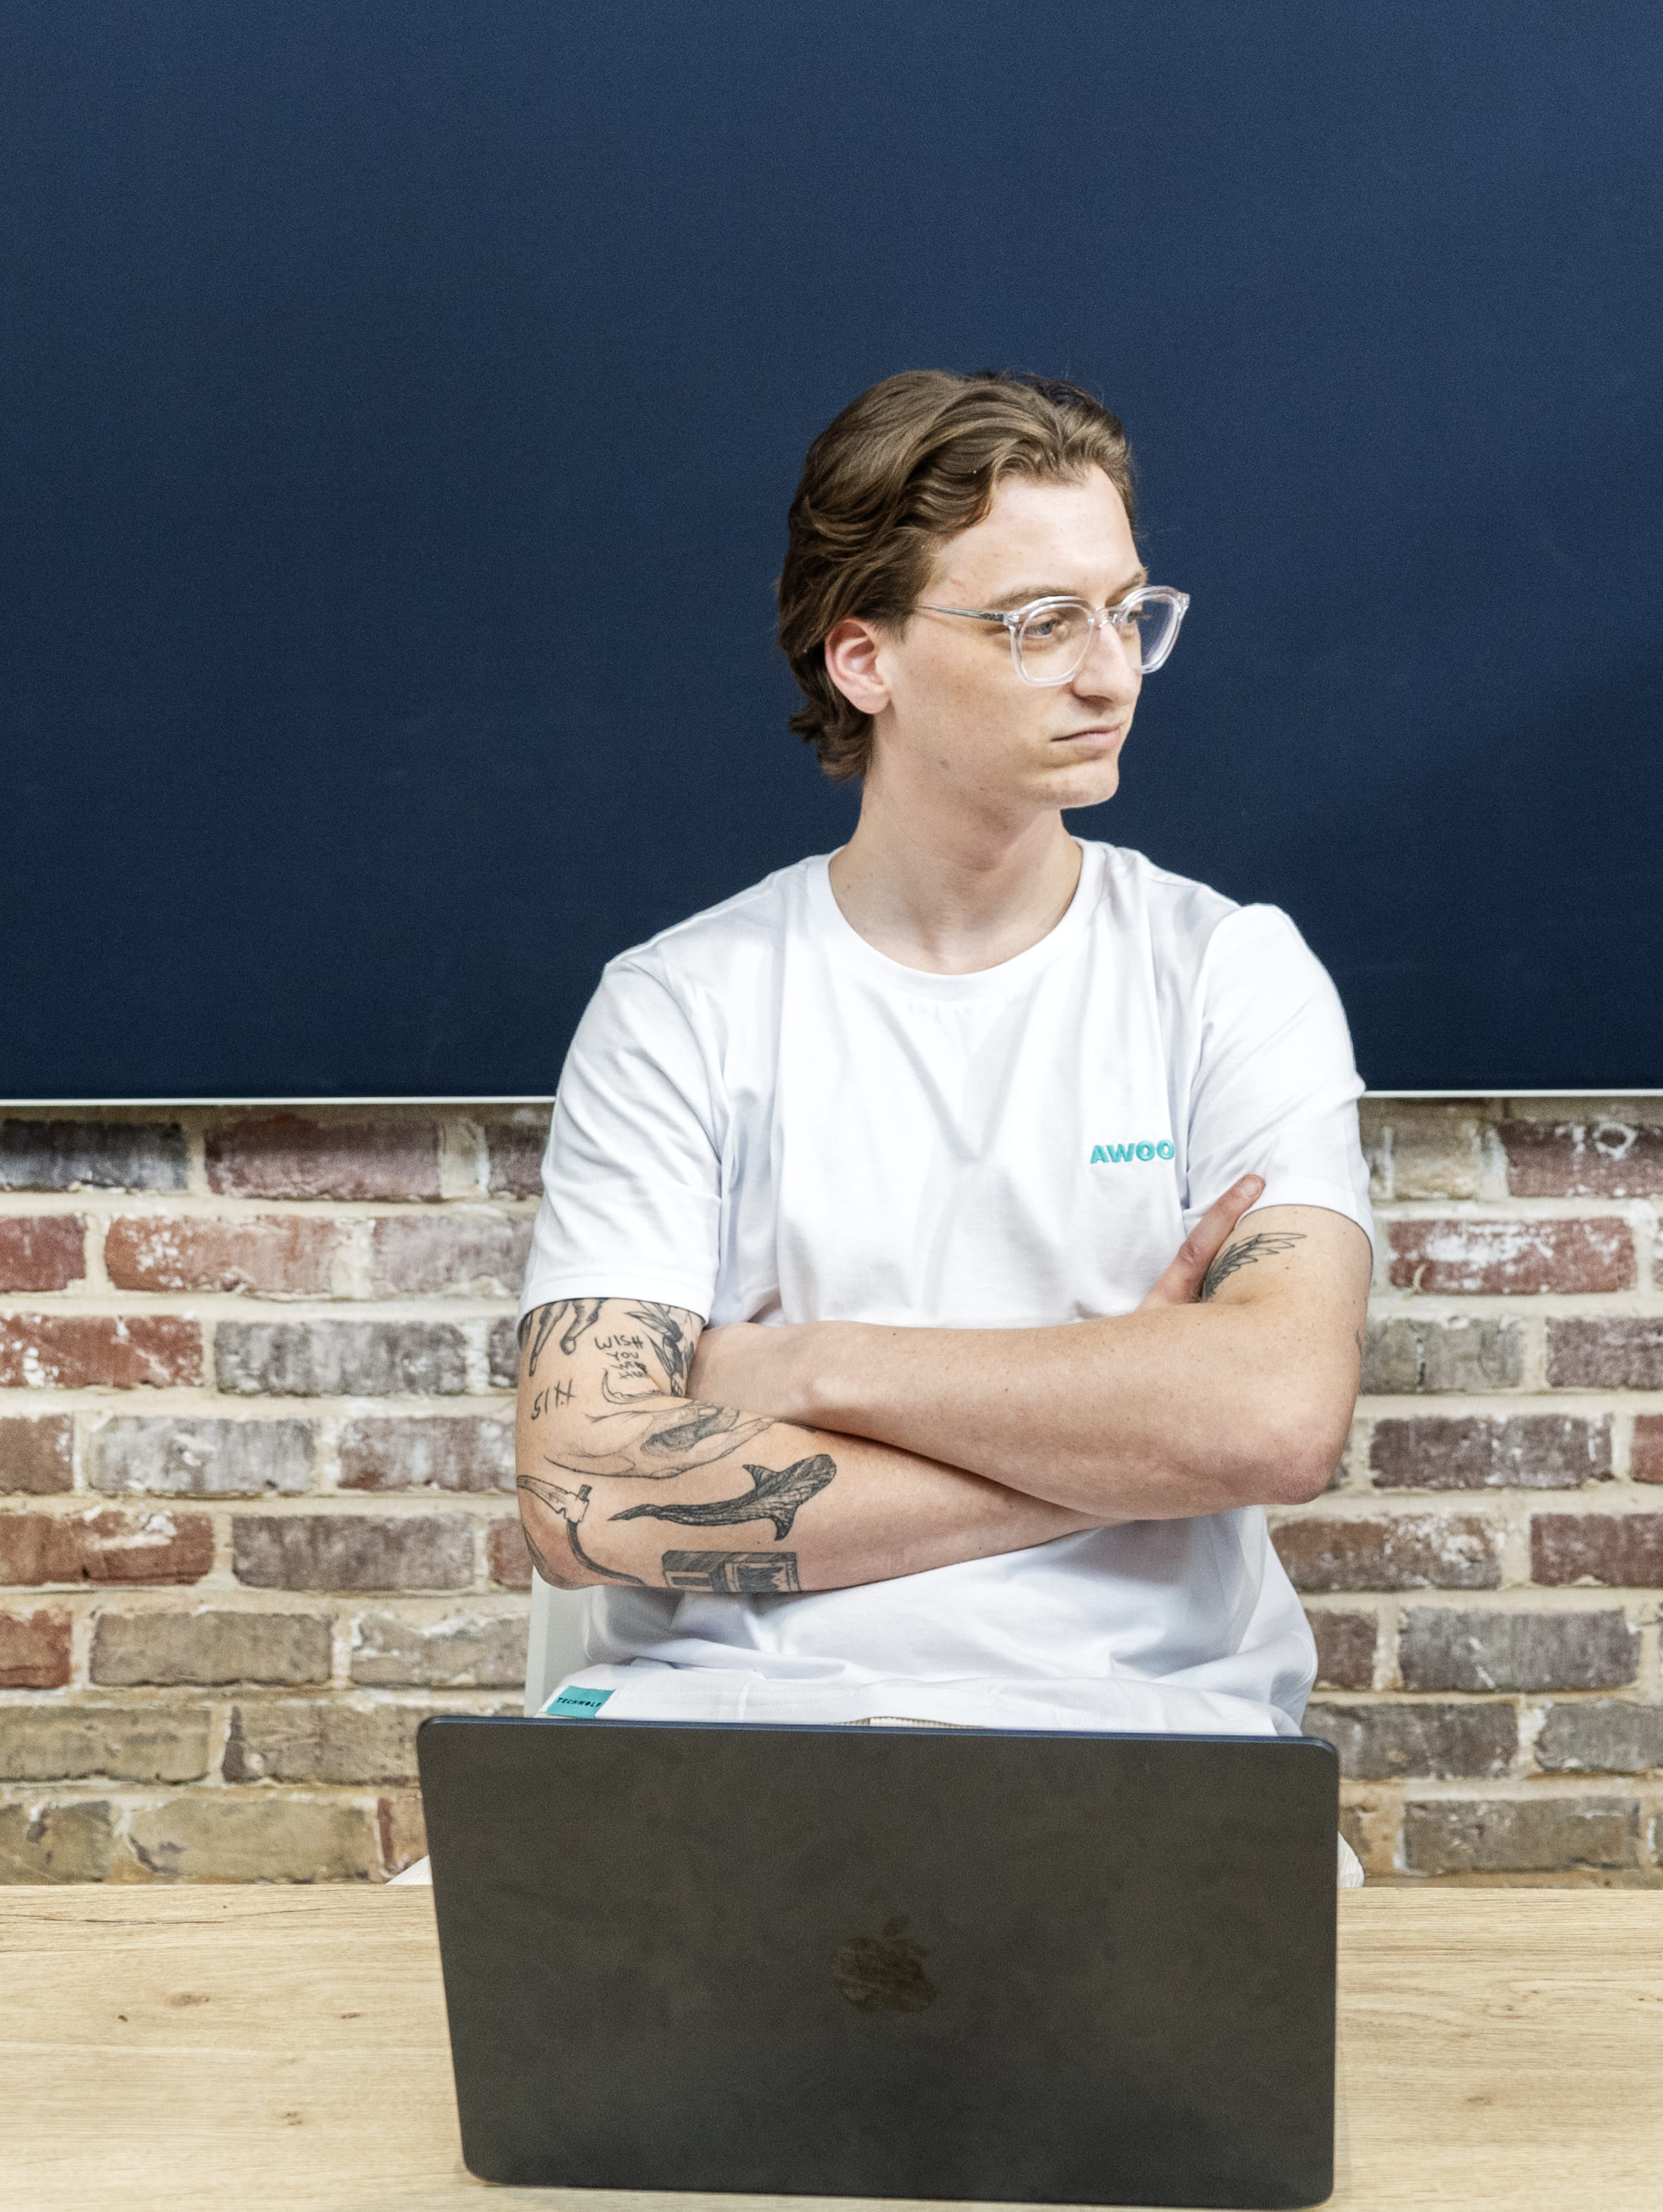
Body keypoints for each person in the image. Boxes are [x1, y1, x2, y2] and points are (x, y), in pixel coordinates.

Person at [503, 370, 1375, 1741]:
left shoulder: (1226, 973)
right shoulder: (681, 1004)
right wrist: (1125, 1438)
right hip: (727, 1727)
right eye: (1039, 624)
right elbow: (586, 1501)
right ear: (868, 660)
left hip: (1144, 1730)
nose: (1107, 671)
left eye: (1127, 611)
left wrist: (809, 1370)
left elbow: (1272, 1420)